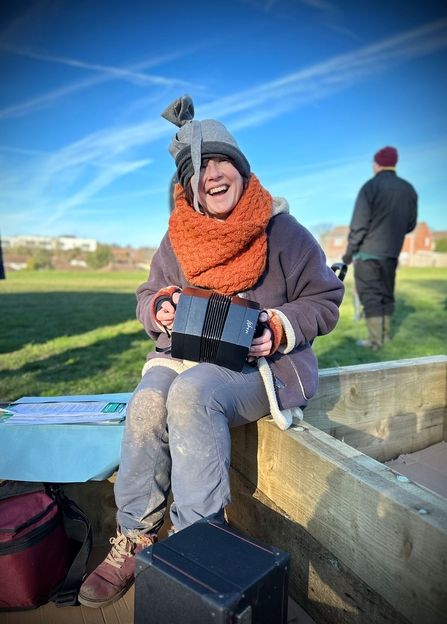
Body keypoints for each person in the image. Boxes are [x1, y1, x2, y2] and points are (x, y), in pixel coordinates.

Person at [78, 94, 344, 608]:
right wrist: (161, 308)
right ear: (188, 185)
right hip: (180, 356)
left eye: (222, 162)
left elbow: (326, 298)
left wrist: (282, 326)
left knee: (193, 393)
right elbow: (145, 295)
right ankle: (135, 535)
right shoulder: (177, 237)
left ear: (241, 169)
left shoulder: (282, 230)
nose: (213, 175)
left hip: (259, 365)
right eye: (199, 169)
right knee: (148, 401)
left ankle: (198, 542)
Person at [342, 146, 417, 350]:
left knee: (371, 295)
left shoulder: (370, 187)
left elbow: (359, 224)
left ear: (377, 164)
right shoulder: (409, 189)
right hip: (391, 253)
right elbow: (410, 223)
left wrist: (349, 253)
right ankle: (386, 336)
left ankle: (375, 341)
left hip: (368, 254)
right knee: (386, 293)